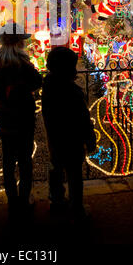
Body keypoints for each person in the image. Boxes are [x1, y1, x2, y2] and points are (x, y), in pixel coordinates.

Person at [0, 22, 42, 216]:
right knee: (25, 159)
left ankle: (12, 198)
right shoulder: (21, 62)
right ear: (18, 41)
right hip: (24, 118)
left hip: (4, 118)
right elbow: (37, 81)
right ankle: (25, 197)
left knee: (8, 159)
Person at [41, 46, 96, 220]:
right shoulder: (73, 92)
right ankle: (77, 207)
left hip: (54, 135)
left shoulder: (48, 85)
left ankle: (56, 200)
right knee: (74, 173)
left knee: (56, 167)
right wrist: (89, 138)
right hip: (73, 139)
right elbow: (83, 117)